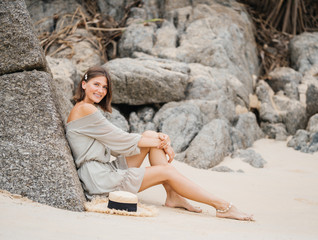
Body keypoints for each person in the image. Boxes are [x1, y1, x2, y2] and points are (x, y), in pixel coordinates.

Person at [66, 66, 254, 221]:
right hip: (98, 180)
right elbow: (121, 140)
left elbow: (118, 144)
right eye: (96, 84)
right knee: (167, 171)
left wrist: (157, 140)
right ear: (84, 84)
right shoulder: (86, 110)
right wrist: (164, 143)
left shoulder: (85, 109)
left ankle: (173, 195)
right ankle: (222, 206)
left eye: (104, 87)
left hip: (103, 170)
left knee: (148, 135)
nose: (100, 90)